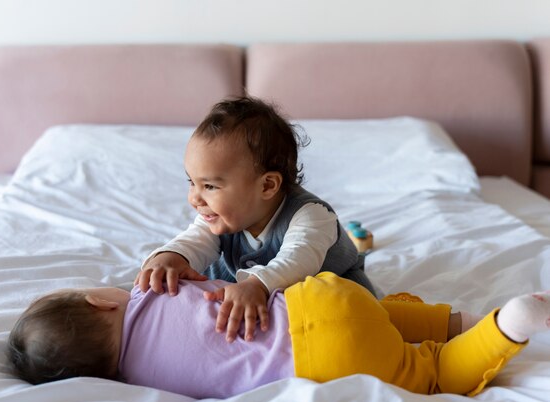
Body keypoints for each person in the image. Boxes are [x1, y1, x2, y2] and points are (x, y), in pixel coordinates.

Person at [136, 96, 424, 343]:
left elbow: (297, 260)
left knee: (354, 317)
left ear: (267, 186)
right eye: (192, 182)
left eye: (210, 186)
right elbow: (195, 240)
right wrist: (171, 256)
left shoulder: (311, 216)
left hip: (319, 288)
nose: (195, 199)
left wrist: (258, 285)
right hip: (248, 290)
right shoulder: (219, 218)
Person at [7, 272, 550, 399]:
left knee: (432, 373)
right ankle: (458, 319)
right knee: (378, 312)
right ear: (102, 300)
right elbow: (213, 280)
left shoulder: (139, 381)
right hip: (318, 297)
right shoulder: (157, 285)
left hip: (326, 366)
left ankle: (509, 327)